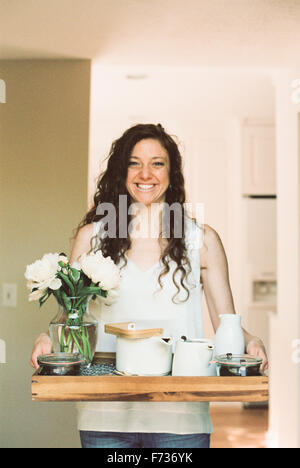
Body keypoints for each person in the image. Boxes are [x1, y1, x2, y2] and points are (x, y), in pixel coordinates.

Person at [30, 123, 268, 449]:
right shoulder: (92, 238)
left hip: (181, 416)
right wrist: (48, 336)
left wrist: (251, 341)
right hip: (105, 415)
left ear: (172, 173)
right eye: (134, 162)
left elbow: (227, 321)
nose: (146, 173)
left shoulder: (202, 240)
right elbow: (71, 315)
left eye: (157, 163)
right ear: (121, 170)